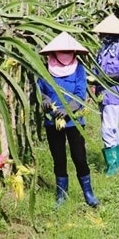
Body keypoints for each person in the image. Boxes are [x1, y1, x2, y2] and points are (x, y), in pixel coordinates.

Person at [37, 32, 99, 207]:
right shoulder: (44, 68)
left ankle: (88, 193)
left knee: (79, 157)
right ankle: (61, 194)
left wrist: (68, 109)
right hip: (52, 121)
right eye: (61, 50)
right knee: (59, 158)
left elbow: (80, 93)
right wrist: (44, 99)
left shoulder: (78, 68)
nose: (65, 54)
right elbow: (37, 89)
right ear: (54, 52)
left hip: (74, 122)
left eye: (67, 50)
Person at [92, 13, 119, 176]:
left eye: (103, 33)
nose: (100, 36)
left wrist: (103, 77)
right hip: (103, 93)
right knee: (112, 127)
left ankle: (113, 165)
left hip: (115, 94)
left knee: (108, 128)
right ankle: (117, 162)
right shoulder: (103, 49)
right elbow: (96, 69)